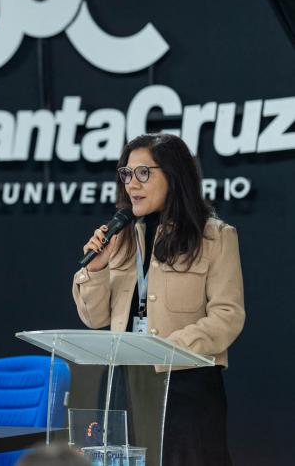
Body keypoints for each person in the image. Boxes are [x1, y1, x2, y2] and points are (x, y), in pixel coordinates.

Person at [73, 133, 245, 466]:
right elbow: (94, 319)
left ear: (174, 176)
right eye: (126, 174)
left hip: (185, 383)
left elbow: (227, 315)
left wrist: (169, 348)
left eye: (143, 173)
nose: (131, 184)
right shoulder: (119, 236)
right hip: (125, 381)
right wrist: (94, 269)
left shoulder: (215, 237)